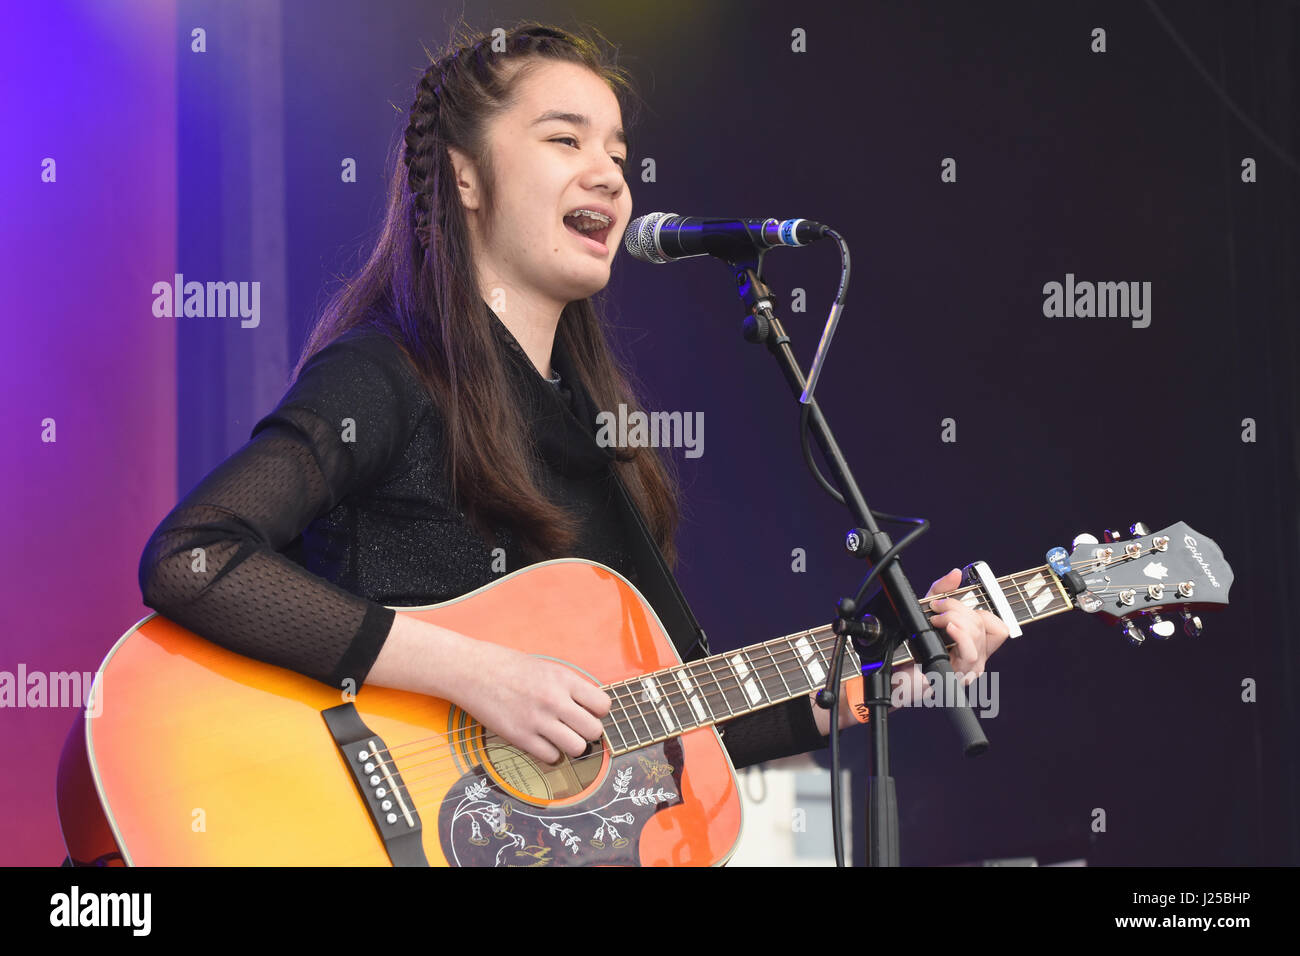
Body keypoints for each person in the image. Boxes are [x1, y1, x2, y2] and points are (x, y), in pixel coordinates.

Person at [138, 22, 1008, 777]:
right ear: (466, 178)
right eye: (566, 141)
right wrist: (474, 674)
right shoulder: (388, 375)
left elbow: (685, 725)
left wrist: (887, 673)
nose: (610, 177)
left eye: (620, 156)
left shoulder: (599, 440)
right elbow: (194, 557)